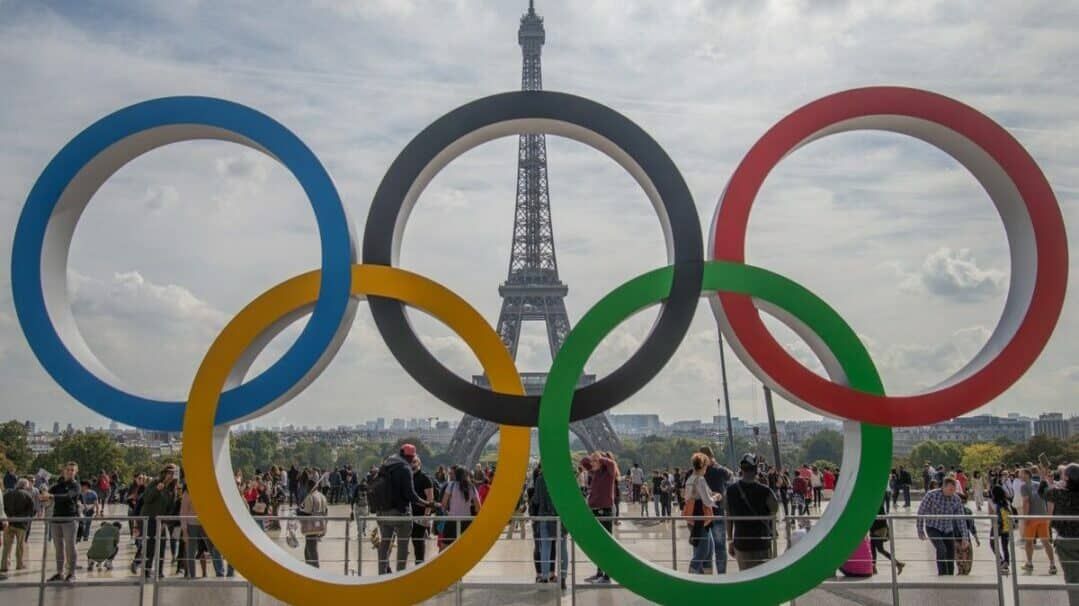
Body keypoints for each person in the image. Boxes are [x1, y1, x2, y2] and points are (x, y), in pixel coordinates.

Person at [375, 444, 434, 574]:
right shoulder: (405, 469)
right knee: (403, 545)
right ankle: (400, 575)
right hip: (401, 512)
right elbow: (411, 495)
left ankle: (381, 574)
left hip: (384, 512)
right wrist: (427, 504)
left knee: (384, 544)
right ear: (410, 456)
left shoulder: (385, 466)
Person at [725, 453, 778, 570]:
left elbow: (728, 518)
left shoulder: (730, 491)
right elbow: (774, 511)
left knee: (745, 575)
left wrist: (730, 541)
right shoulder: (765, 491)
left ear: (741, 469)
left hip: (741, 542)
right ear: (756, 470)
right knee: (764, 575)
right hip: (762, 542)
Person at [916, 477, 970, 575]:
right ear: (943, 487)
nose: (952, 492)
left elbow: (961, 519)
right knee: (941, 549)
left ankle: (950, 575)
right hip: (933, 527)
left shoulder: (956, 499)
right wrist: (920, 530)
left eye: (953, 490)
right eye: (950, 489)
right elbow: (921, 512)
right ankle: (942, 574)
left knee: (950, 554)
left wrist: (964, 537)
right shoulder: (931, 495)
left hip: (948, 529)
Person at [1046, 463, 1079, 605]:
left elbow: (1045, 493)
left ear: (1066, 478)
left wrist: (1049, 482)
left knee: (1072, 578)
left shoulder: (1059, 493)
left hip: (1066, 541)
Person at [42, 461, 81, 582]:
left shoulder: (75, 486)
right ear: (64, 471)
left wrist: (51, 496)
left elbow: (68, 496)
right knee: (58, 548)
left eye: (72, 470)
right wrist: (43, 495)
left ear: (76, 472)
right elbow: (47, 494)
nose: (69, 472)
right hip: (56, 519)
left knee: (70, 547)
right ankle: (60, 573)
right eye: (68, 469)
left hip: (69, 519)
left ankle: (72, 573)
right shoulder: (58, 485)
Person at [530, 463, 568, 588]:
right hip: (560, 517)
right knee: (563, 548)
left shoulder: (540, 479)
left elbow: (536, 499)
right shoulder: (563, 478)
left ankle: (545, 577)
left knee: (545, 547)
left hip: (544, 517)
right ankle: (563, 577)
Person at [582, 452, 617, 584]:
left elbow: (612, 463)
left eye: (594, 462)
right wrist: (592, 458)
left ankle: (607, 576)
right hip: (595, 510)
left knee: (605, 544)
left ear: (601, 462)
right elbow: (584, 462)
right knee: (598, 544)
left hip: (604, 510)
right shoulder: (596, 472)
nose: (592, 464)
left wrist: (600, 458)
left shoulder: (609, 473)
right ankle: (599, 573)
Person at [141, 464, 180, 578]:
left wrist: (165, 522)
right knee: (150, 546)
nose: (171, 476)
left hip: (161, 522)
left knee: (161, 546)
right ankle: (147, 571)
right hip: (149, 519)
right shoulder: (155, 483)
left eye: (173, 474)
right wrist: (157, 489)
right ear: (164, 473)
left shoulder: (172, 489)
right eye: (169, 473)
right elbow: (146, 499)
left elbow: (171, 508)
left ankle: (159, 571)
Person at [684, 453, 720, 574]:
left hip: (693, 519)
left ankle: (703, 574)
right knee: (703, 551)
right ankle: (693, 574)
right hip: (701, 518)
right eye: (706, 466)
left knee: (707, 549)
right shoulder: (700, 480)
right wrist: (716, 497)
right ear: (703, 466)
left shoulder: (690, 479)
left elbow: (687, 498)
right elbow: (707, 501)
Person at [180, 484, 224, 577]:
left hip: (206, 525)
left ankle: (220, 573)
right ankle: (192, 576)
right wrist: (184, 531)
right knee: (191, 551)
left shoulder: (205, 490)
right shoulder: (187, 494)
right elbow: (183, 512)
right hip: (192, 525)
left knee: (214, 548)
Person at [700, 445, 732, 574]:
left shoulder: (696, 472)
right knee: (720, 548)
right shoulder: (720, 470)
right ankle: (721, 575)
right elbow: (731, 476)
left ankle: (707, 576)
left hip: (702, 515)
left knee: (705, 549)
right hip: (717, 513)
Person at [1020, 466, 1057, 575]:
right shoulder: (1038, 484)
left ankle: (1029, 563)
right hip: (1043, 517)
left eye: (1022, 473)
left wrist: (1025, 518)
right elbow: (1047, 500)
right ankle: (1052, 564)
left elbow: (1026, 502)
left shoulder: (1024, 486)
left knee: (1029, 542)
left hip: (1031, 517)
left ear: (1027, 475)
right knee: (1046, 542)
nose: (1020, 476)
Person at [440, 467, 479, 550]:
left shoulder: (451, 485)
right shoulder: (472, 487)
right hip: (467, 521)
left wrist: (445, 512)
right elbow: (478, 507)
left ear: (455, 475)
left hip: (452, 520)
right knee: (465, 548)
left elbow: (443, 503)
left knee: (444, 548)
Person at [2, 479, 34, 574]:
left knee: (7, 546)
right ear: (25, 486)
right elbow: (31, 510)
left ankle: (4, 565)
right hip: (21, 523)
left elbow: (2, 507)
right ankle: (19, 564)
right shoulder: (27, 495)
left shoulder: (7, 494)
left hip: (8, 522)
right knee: (20, 545)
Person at [409, 456, 434, 565]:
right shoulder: (407, 477)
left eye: (414, 462)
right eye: (410, 462)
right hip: (407, 514)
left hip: (420, 514)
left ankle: (419, 564)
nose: (412, 464)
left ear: (419, 463)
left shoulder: (425, 478)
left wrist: (426, 515)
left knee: (418, 541)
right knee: (410, 542)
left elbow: (430, 498)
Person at [297, 478, 328, 568]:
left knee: (311, 549)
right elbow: (326, 512)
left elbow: (306, 513)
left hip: (311, 527)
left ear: (309, 486)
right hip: (321, 525)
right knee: (308, 549)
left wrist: (298, 511)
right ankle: (309, 567)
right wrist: (325, 526)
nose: (306, 488)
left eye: (307, 486)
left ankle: (315, 568)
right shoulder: (322, 496)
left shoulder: (310, 497)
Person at [869, 499, 904, 575]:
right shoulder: (876, 504)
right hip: (876, 529)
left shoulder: (876, 505)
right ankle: (873, 567)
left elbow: (880, 519)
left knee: (880, 549)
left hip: (878, 530)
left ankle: (898, 563)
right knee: (872, 548)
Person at [989, 484, 1016, 575]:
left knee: (992, 544)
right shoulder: (1006, 502)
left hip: (997, 526)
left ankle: (1001, 560)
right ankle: (1006, 562)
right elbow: (1011, 513)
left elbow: (991, 514)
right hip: (1006, 527)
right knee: (1005, 546)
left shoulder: (993, 503)